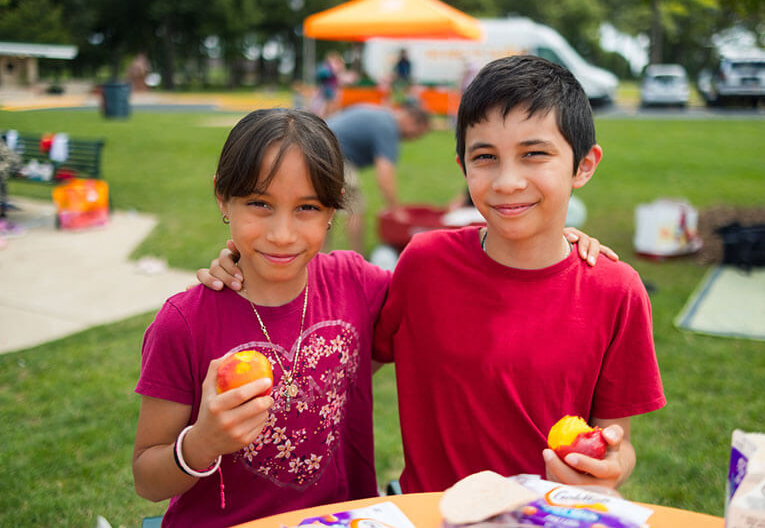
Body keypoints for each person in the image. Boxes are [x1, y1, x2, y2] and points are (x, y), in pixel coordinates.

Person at [372, 55, 666, 493]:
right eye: (486, 157)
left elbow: (618, 443)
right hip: (429, 516)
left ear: (583, 165)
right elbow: (339, 355)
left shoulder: (616, 291)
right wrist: (242, 267)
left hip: (550, 516)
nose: (507, 182)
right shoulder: (423, 264)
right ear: (464, 167)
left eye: (534, 155)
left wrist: (611, 466)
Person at [132, 109, 392, 527]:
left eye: (306, 207)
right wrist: (201, 443)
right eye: (259, 204)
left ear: (333, 207)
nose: (282, 234)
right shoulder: (183, 323)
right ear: (223, 197)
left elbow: (443, 291)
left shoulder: (357, 284)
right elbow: (147, 478)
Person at [326, 102, 431, 254]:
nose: (414, 138)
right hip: (332, 155)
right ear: (411, 120)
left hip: (317, 149)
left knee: (327, 208)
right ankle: (357, 260)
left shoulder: (382, 117)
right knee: (355, 208)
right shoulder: (388, 127)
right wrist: (395, 209)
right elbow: (385, 174)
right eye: (418, 133)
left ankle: (318, 259)